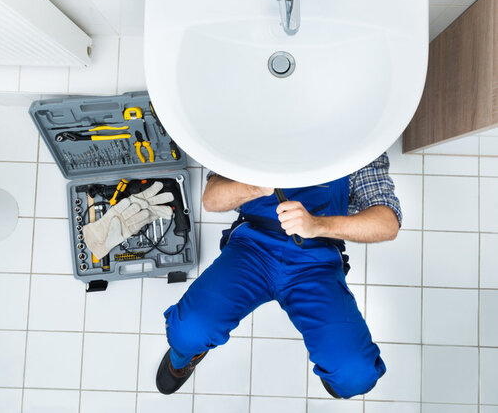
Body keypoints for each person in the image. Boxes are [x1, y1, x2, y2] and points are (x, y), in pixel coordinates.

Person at [156, 152, 402, 399]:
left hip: (317, 262)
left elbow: (387, 223)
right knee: (189, 332)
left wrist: (317, 225)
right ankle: (183, 359)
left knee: (354, 374)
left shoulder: (360, 140)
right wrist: (254, 187)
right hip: (252, 249)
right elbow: (212, 199)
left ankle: (334, 367)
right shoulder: (256, 126)